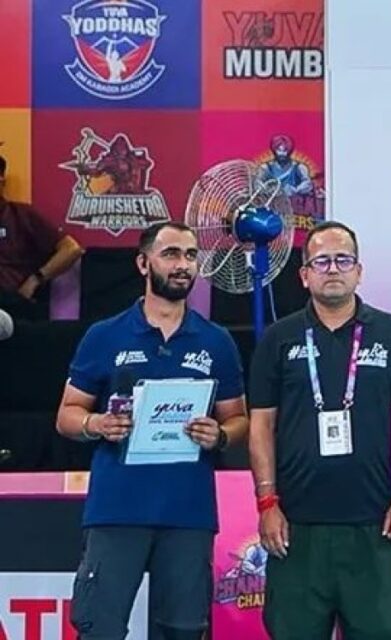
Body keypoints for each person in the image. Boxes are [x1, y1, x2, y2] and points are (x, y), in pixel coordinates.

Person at [55, 221, 248, 640]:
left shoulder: (216, 342)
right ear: (143, 264)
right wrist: (96, 424)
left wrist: (220, 435)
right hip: (117, 508)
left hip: (188, 512)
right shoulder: (104, 336)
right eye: (171, 254)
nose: (183, 265)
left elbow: (239, 420)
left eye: (191, 255)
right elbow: (67, 415)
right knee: (100, 629)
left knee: (183, 630)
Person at [248, 221, 391, 639]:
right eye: (322, 261)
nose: (333, 269)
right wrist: (267, 503)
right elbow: (261, 424)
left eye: (343, 260)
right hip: (295, 525)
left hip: (373, 523)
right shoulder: (279, 338)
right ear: (304, 274)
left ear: (359, 271)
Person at [0, 154, 85, 320]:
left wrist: (35, 279)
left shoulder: (21, 215)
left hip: (14, 305)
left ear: (2, 179)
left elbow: (71, 249)